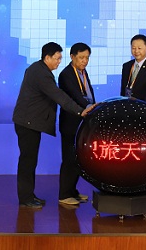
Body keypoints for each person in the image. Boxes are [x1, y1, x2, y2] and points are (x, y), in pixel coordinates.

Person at [13, 42, 95, 209]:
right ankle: (26, 198)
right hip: (27, 123)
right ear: (47, 57)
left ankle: (29, 196)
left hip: (29, 122)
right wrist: (80, 111)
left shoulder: (39, 69)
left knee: (30, 161)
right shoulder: (41, 74)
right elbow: (59, 96)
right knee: (28, 161)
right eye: (57, 58)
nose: (59, 62)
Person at [57, 43, 95, 206]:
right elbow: (76, 96)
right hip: (70, 124)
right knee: (69, 159)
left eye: (87, 57)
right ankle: (64, 194)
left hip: (81, 122)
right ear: (72, 57)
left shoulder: (82, 72)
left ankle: (72, 191)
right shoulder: (66, 74)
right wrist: (89, 107)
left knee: (77, 159)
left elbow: (87, 94)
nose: (84, 61)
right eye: (81, 57)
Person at [120, 34, 146, 102]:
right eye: (133, 48)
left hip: (144, 105)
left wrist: (143, 105)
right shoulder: (126, 66)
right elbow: (123, 89)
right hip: (127, 104)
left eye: (139, 48)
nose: (136, 51)